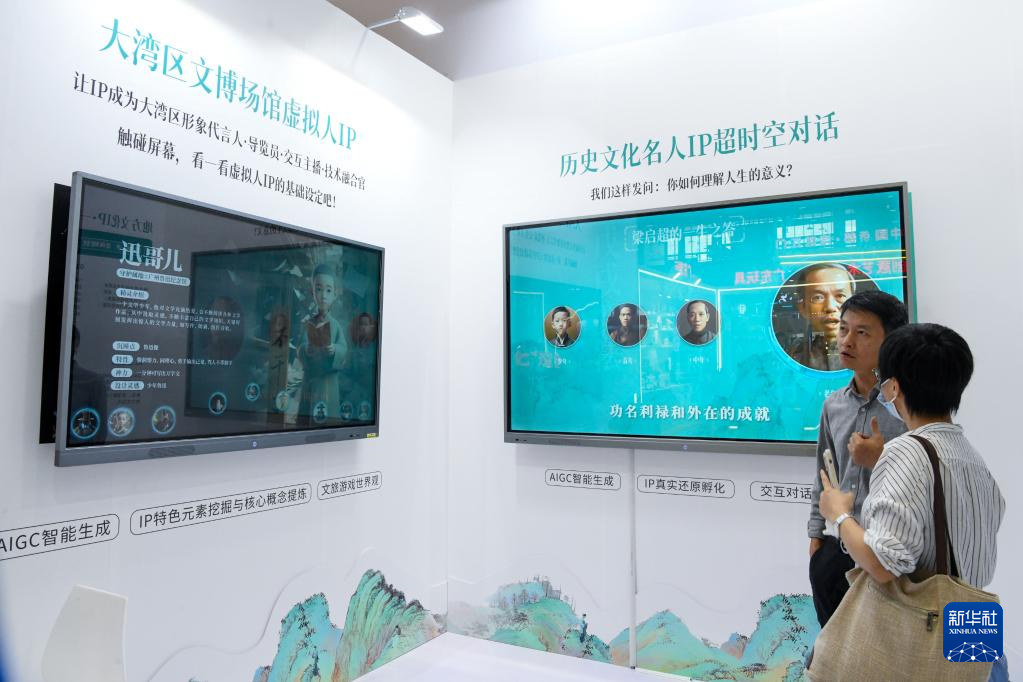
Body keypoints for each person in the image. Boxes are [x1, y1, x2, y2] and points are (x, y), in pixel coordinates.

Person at [817, 323, 1006, 680]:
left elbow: (883, 563)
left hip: (925, 624)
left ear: (894, 387)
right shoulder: (972, 458)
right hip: (976, 618)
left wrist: (840, 516)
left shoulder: (906, 451)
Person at [807, 290, 908, 627]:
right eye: (843, 329)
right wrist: (816, 538)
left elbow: (926, 473)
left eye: (862, 332)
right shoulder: (834, 405)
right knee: (833, 650)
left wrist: (881, 457)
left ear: (891, 341)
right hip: (836, 549)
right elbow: (822, 474)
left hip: (886, 555)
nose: (847, 340)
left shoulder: (908, 406)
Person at [298, 263, 348, 421]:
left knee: (328, 416)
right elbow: (299, 348)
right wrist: (306, 350)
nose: (323, 296)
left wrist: (335, 350)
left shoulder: (336, 325)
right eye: (319, 289)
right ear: (312, 292)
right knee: (307, 417)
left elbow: (343, 348)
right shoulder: (308, 323)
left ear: (335, 294)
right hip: (311, 380)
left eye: (328, 290)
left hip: (328, 380)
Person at [786, 264, 855, 371]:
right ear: (803, 308)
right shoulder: (794, 357)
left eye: (840, 296)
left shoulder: (873, 351)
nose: (830, 307)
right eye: (818, 297)